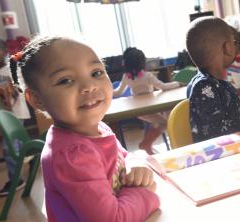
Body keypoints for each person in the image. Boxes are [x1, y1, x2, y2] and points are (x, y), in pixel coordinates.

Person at [9, 36, 159, 221]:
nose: (89, 86)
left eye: (96, 73)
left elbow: (122, 156)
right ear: (37, 99)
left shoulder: (97, 127)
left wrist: (134, 165)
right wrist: (144, 192)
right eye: (65, 80)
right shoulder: (72, 155)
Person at [186, 17, 240, 143]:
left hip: (238, 150)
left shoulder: (215, 84)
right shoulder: (205, 87)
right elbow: (218, 140)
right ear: (227, 48)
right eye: (234, 42)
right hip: (225, 156)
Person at [0, 37, 31, 196]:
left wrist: (14, 92)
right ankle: (30, 155)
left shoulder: (12, 67)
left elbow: (22, 87)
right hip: (1, 115)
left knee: (8, 148)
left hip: (15, 113)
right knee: (16, 145)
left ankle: (16, 180)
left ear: (5, 51)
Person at [113, 47, 181, 155]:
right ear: (142, 62)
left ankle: (146, 144)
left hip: (139, 111)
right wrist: (177, 83)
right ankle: (146, 143)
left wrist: (107, 92)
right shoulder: (148, 76)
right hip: (151, 108)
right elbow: (163, 87)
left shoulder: (126, 76)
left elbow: (118, 93)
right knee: (164, 122)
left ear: (125, 63)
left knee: (158, 122)